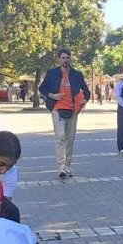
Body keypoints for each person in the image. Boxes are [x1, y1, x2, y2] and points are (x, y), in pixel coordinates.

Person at [39, 48, 91, 178]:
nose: (65, 60)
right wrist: (53, 95)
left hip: (72, 110)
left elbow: (86, 91)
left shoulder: (77, 74)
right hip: (57, 109)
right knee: (60, 137)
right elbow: (42, 88)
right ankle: (61, 168)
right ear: (59, 59)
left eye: (67, 58)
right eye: (63, 58)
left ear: (70, 59)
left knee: (70, 139)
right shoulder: (52, 73)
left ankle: (68, 167)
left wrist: (84, 100)